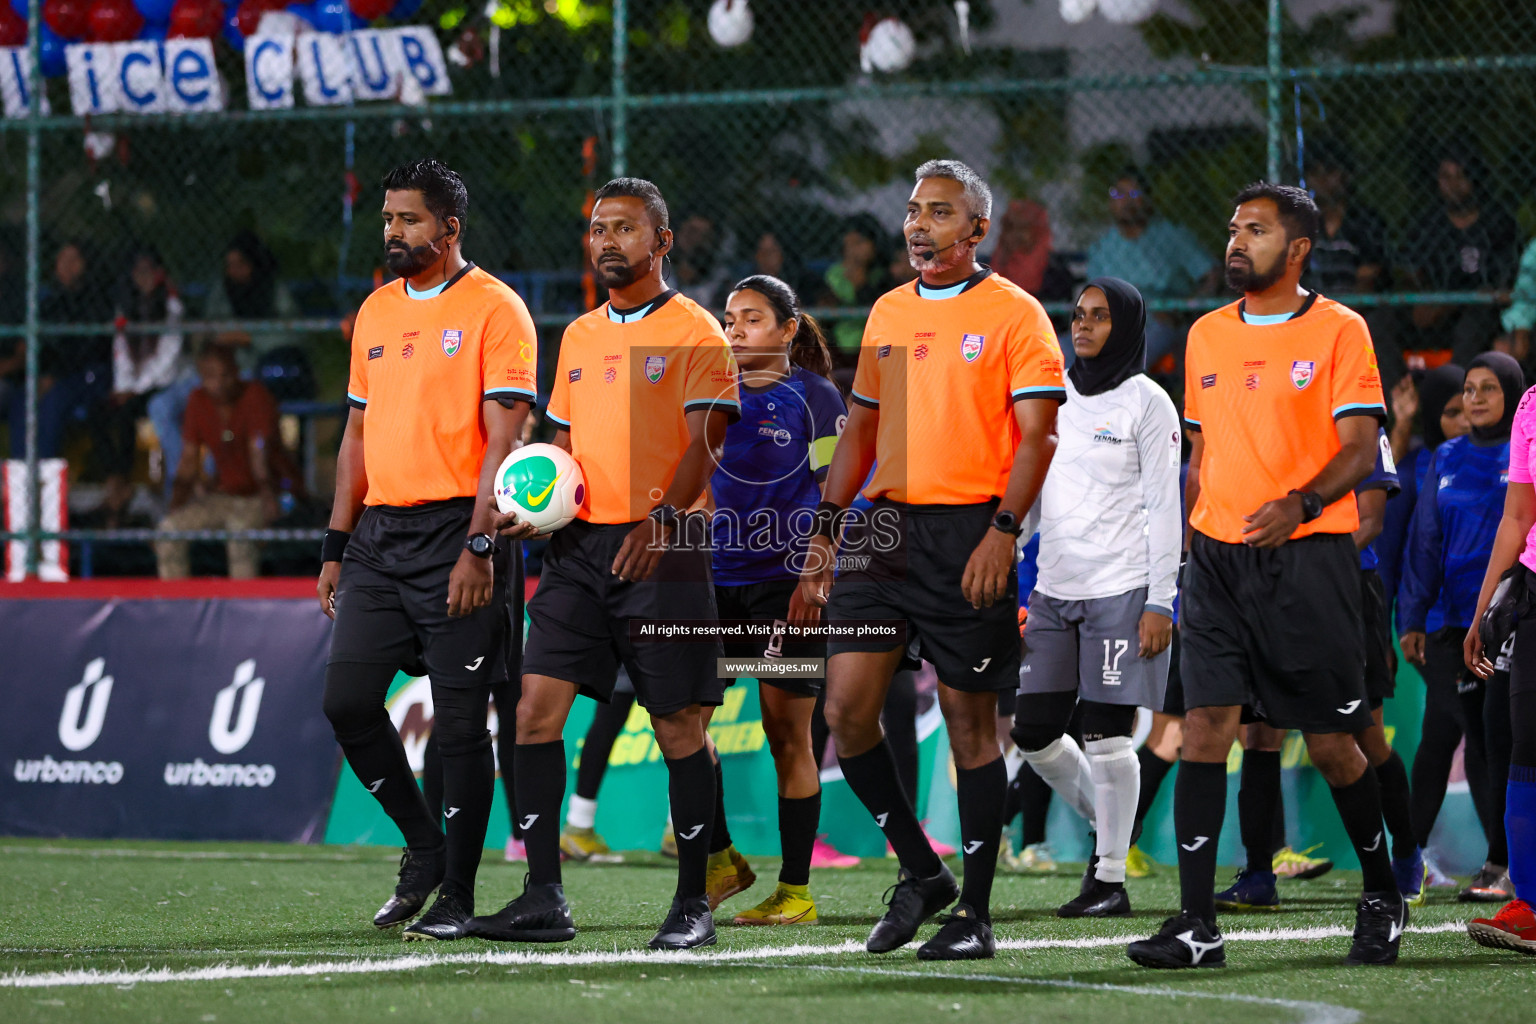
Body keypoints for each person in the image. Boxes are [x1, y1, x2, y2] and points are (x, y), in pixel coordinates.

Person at [1125, 182, 1402, 970]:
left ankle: (1382, 892)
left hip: (1309, 559)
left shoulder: (1341, 330)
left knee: (1332, 744)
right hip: (1214, 561)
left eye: (1256, 230)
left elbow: (1360, 447)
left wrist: (1302, 502)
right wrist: (1177, 559)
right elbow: (1202, 459)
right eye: (1233, 227)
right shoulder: (1208, 335)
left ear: (1299, 248)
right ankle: (1195, 924)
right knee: (1206, 729)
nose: (1236, 241)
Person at [799, 159, 1064, 960]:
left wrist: (1003, 530)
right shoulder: (886, 310)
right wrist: (825, 528)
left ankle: (974, 915)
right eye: (914, 211)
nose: (918, 225)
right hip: (883, 531)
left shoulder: (1016, 314)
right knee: (846, 711)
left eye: (939, 213)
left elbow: (1040, 435)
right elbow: (861, 429)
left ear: (976, 230)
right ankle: (922, 871)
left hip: (970, 534)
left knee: (968, 726)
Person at [472, 176, 740, 952]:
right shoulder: (582, 335)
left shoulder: (695, 332)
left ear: (661, 243)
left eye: (624, 229)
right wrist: (530, 501)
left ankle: (694, 902)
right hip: (579, 550)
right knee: (532, 713)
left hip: (669, 545)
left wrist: (661, 520)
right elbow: (559, 446)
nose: (607, 241)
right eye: (597, 229)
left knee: (677, 726)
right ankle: (542, 895)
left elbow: (707, 445)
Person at [316, 160, 537, 941]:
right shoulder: (374, 312)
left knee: (458, 726)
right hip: (380, 536)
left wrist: (480, 544)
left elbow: (507, 441)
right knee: (345, 701)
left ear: (448, 229)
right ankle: (423, 846)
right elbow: (355, 436)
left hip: (460, 534)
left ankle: (459, 895)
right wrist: (337, 542)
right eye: (387, 219)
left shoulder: (496, 309)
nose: (392, 233)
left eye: (408, 220)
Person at [1012, 277, 1180, 918]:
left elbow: (1168, 506)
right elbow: (1029, 479)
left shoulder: (1149, 402)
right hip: (1053, 588)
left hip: (1123, 588)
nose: (1082, 326)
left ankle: (1108, 879)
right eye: (1078, 315)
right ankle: (1113, 828)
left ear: (1128, 326)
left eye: (1099, 317)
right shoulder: (1048, 397)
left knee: (1109, 736)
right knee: (1033, 732)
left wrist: (1161, 599)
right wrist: (1009, 547)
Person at [1214, 427, 1421, 911]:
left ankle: (1407, 854)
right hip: (1267, 591)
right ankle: (1259, 873)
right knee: (1259, 732)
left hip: (1345, 589)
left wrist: (1305, 569)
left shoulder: (1360, 425)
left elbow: (1369, 521)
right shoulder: (1272, 417)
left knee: (1364, 737)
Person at [699, 273, 847, 924]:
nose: (735, 330)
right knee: (684, 725)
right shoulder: (707, 391)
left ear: (787, 330)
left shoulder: (814, 397)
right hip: (711, 580)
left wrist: (816, 574)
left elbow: (836, 488)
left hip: (783, 588)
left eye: (751, 319)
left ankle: (795, 891)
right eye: (729, 319)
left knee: (788, 734)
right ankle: (724, 858)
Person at [1398, 352, 1524, 904]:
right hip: (1456, 624)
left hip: (1517, 615)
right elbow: (1424, 541)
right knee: (1480, 736)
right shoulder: (1444, 455)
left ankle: (1505, 861)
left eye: (1487, 389)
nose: (1474, 399)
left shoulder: (1523, 452)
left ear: (1513, 396)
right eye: (1469, 389)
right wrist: (1414, 614)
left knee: (1506, 740)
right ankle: (1494, 861)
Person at [1463, 379, 1536, 954]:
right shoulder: (1532, 403)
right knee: (1526, 742)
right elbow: (1516, 517)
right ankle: (1530, 903)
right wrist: (1483, 611)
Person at [1370, 148, 1519, 395]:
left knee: (1474, 325)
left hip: (1475, 311)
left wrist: (1445, 305)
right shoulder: (1428, 223)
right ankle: (1399, 402)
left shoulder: (1498, 223)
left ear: (1476, 179)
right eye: (1445, 177)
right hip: (1429, 307)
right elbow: (1410, 274)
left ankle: (1455, 402)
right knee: (1379, 321)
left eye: (1461, 176)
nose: (1453, 185)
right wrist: (1418, 300)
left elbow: (1497, 286)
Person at [154, 345, 279, 580]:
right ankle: (174, 606)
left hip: (255, 497)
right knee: (168, 530)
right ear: (201, 378)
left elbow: (258, 454)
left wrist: (268, 499)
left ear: (237, 371)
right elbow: (189, 459)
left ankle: (242, 607)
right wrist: (176, 504)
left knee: (239, 535)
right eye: (211, 377)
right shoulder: (198, 400)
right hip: (219, 497)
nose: (220, 384)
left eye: (226, 375)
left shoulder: (255, 395)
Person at [1084, 169, 1217, 365]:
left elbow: (1212, 274)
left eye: (1135, 194)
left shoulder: (1171, 236)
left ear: (1147, 200)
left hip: (1163, 320)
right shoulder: (1102, 246)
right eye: (1119, 194)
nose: (1127, 202)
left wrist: (1185, 309)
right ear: (1110, 203)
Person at [93, 249, 186, 526]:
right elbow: (121, 349)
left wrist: (135, 390)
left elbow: (168, 357)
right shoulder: (127, 305)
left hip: (162, 381)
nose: (143, 277)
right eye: (138, 271)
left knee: (126, 414)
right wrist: (124, 387)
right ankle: (115, 481)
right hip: (132, 383)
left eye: (149, 270)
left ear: (160, 274)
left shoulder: (171, 306)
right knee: (98, 410)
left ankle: (121, 486)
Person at [10, 242, 113, 461]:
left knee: (54, 400)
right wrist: (40, 375)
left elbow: (90, 349)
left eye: (74, 260)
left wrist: (55, 376)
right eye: (62, 260)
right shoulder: (50, 303)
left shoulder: (96, 301)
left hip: (89, 373)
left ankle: (46, 477)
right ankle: (21, 473)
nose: (66, 266)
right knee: (22, 399)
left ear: (85, 265)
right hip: (54, 374)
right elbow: (44, 347)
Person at [1302, 142, 1390, 296]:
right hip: (1311, 309)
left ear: (1346, 175)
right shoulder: (1302, 222)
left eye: (1329, 172)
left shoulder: (1367, 221)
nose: (1322, 180)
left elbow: (1368, 280)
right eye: (1315, 172)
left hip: (1353, 310)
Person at [819, 214, 890, 355]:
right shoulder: (834, 274)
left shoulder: (881, 276)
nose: (854, 250)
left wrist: (861, 284)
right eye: (850, 244)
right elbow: (825, 314)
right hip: (837, 347)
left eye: (860, 242)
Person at [988, 198, 1053, 296]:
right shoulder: (1001, 257)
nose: (1016, 234)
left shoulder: (1048, 271)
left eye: (1022, 229)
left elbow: (1028, 280)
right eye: (1011, 228)